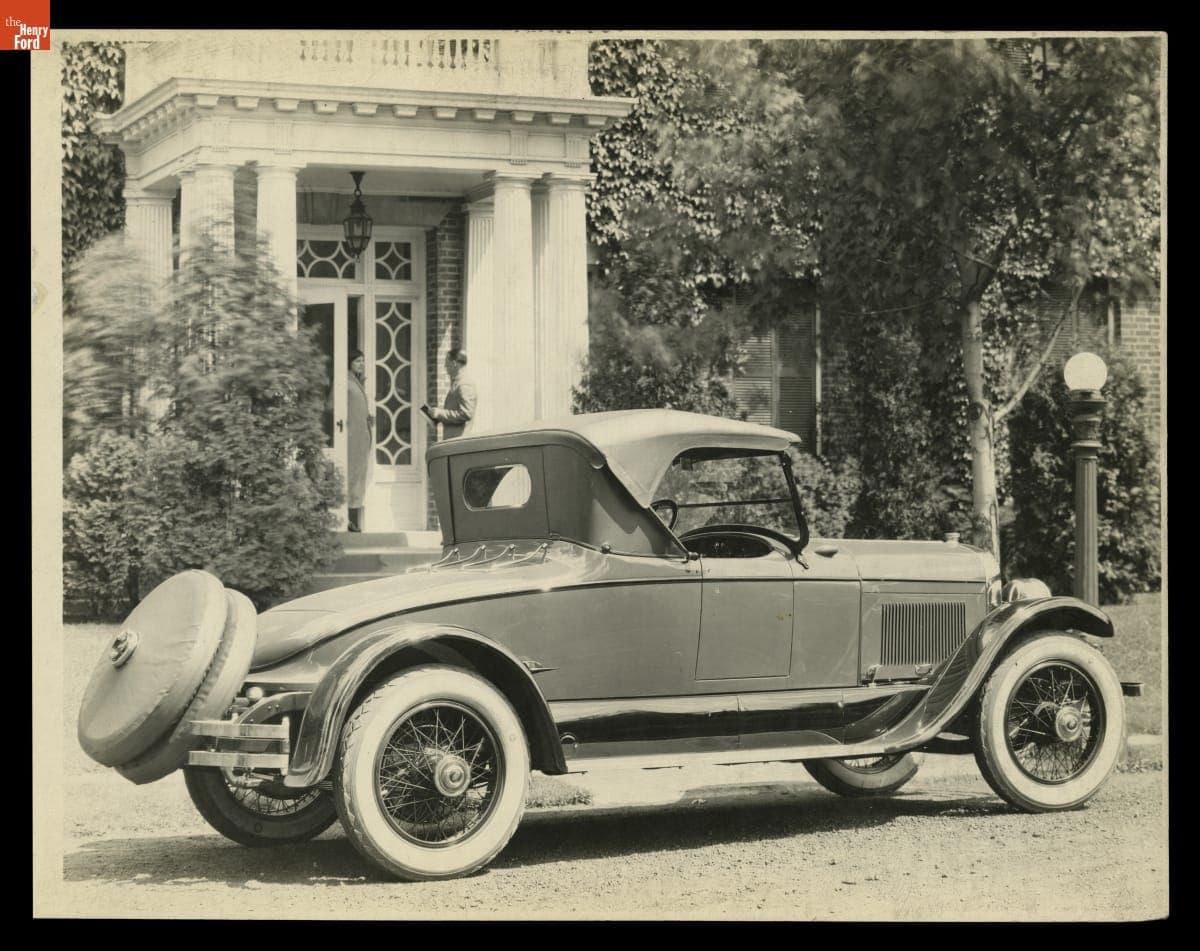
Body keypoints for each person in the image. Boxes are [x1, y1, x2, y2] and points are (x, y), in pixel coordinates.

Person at [343, 349, 373, 532]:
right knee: (352, 478)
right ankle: (349, 522)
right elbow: (332, 406)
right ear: (349, 363)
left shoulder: (357, 383)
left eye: (363, 361)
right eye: (357, 361)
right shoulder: (345, 382)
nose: (361, 364)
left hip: (361, 439)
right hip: (351, 439)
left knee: (359, 478)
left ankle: (354, 521)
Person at [421, 348, 477, 439]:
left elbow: (466, 414)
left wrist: (440, 413)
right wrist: (436, 416)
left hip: (459, 442)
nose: (445, 366)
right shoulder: (458, 383)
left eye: (447, 362)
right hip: (454, 441)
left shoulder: (465, 384)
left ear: (454, 363)